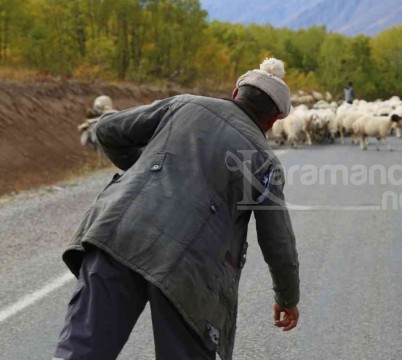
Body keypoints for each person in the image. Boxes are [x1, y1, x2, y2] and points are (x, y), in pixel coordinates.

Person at [53, 58, 300, 360]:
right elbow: (278, 241)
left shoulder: (184, 104)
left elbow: (107, 129)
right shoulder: (264, 161)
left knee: (81, 350)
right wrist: (287, 298)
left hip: (118, 232)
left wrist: (144, 172)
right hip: (190, 268)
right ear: (273, 119)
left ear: (236, 92)